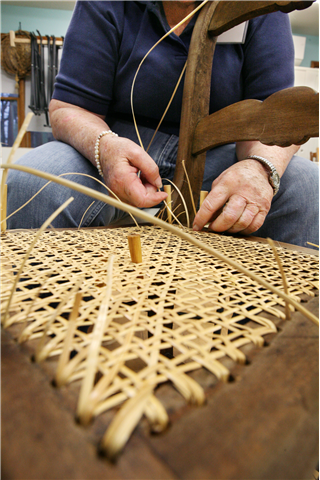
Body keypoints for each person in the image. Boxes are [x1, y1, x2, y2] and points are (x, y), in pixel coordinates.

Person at [6, 0, 319, 248]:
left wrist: (259, 167)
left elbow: (276, 118)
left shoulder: (261, 8)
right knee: (34, 183)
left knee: (307, 187)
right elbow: (69, 107)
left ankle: (267, 320)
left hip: (219, 157)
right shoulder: (105, 3)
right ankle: (55, 318)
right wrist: (106, 148)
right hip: (116, 146)